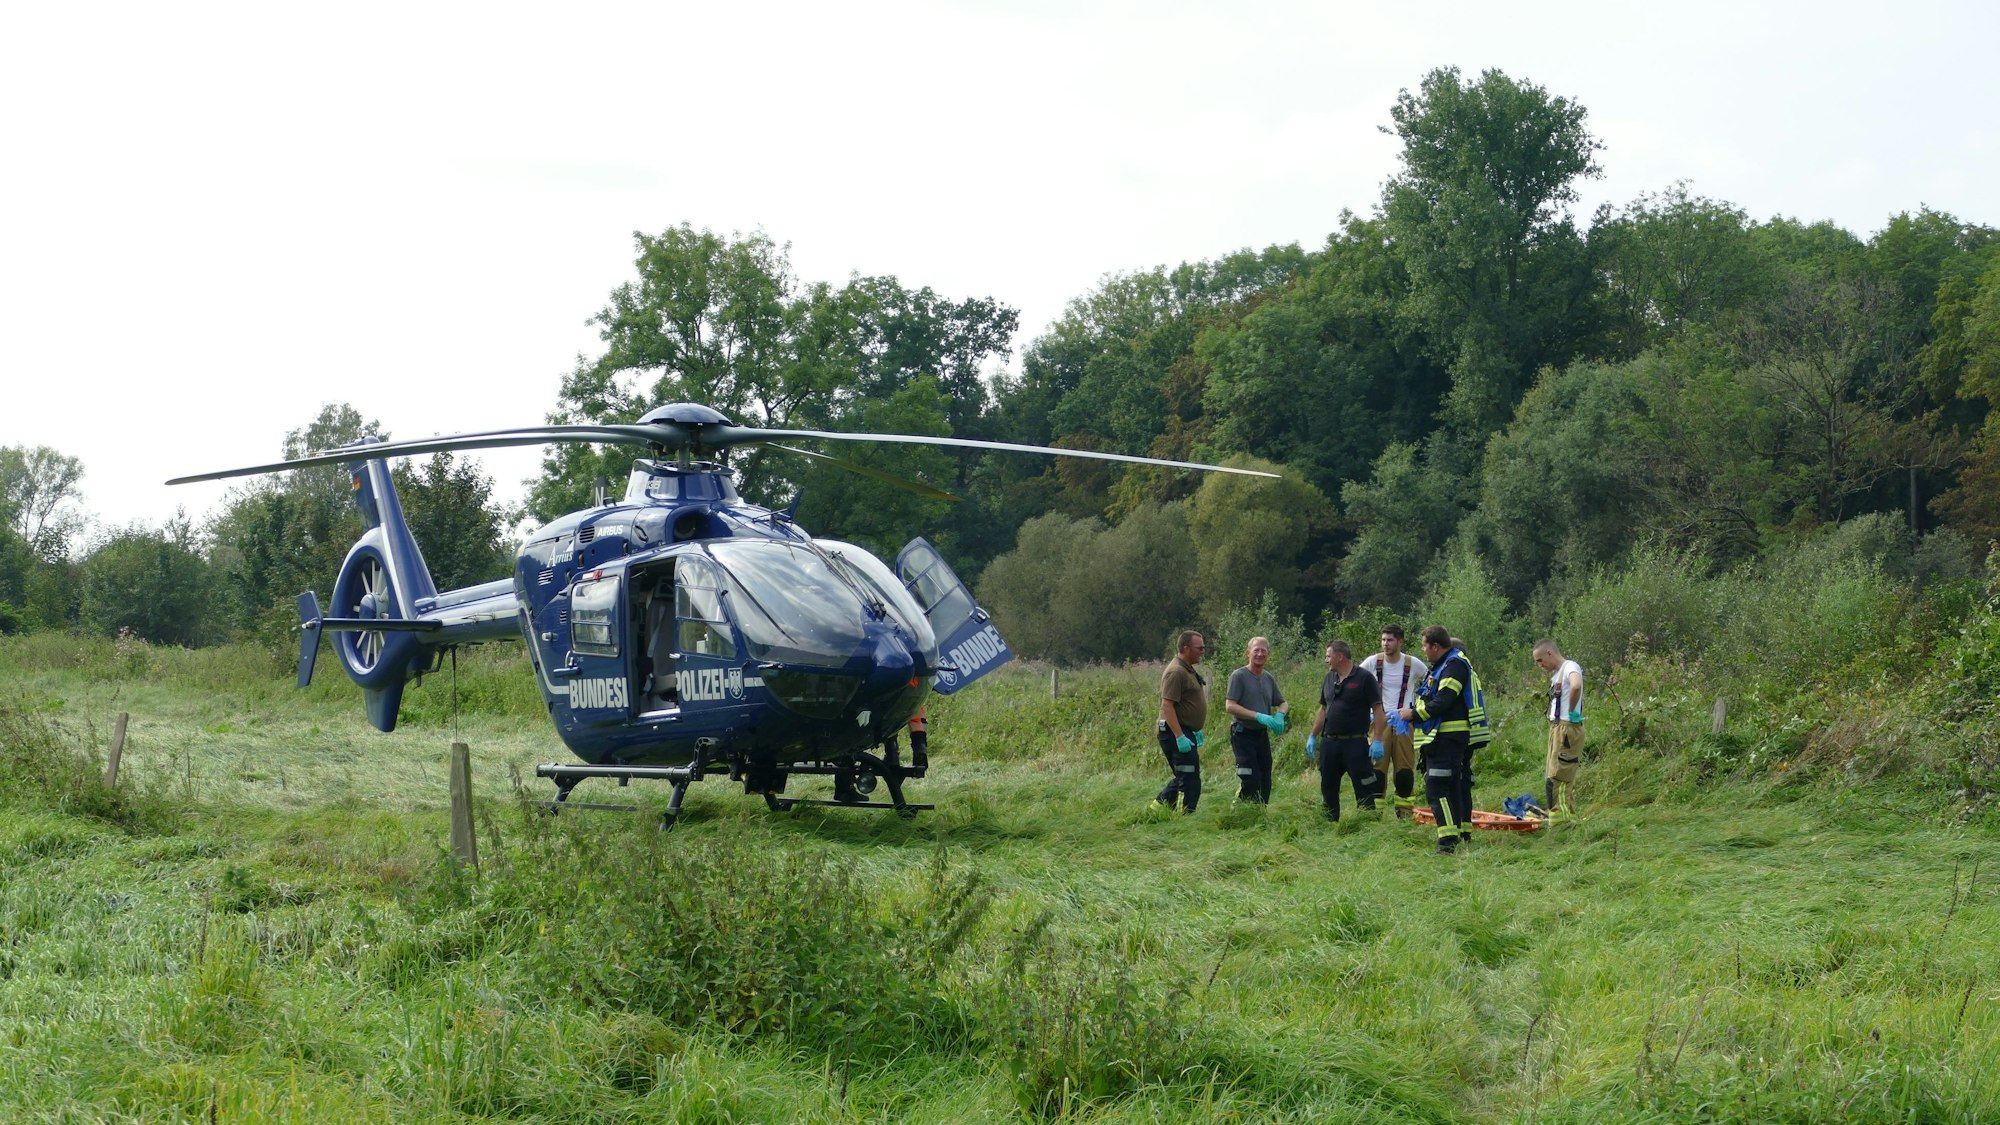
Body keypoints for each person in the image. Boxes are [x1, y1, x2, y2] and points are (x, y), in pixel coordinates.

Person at [1398, 625, 1475, 854]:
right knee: (1448, 789)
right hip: (1439, 739)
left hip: (1448, 739)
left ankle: (1447, 842)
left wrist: (1413, 714)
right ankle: (1453, 839)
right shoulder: (1442, 666)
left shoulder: (1455, 665)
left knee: (1437, 789)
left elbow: (1444, 700)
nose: (1423, 651)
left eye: (1424, 646)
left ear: (1435, 646)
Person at [1306, 640, 1380, 820]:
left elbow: (1378, 710)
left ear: (1340, 657)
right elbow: (1323, 709)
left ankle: (1367, 823)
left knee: (1364, 785)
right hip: (1330, 743)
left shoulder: (1364, 678)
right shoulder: (1328, 678)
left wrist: (1378, 739)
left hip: (1355, 744)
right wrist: (1313, 736)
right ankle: (1329, 823)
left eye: (1328, 656)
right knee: (1328, 786)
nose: (1326, 660)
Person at [1360, 625, 1427, 819]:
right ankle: (1373, 814)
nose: (1385, 644)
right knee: (1377, 771)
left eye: (1389, 640)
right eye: (1383, 640)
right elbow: (1354, 682)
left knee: (1404, 771)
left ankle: (1404, 815)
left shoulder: (1413, 663)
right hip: (1379, 723)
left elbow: (1432, 685)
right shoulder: (1372, 662)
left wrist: (1417, 711)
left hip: (1404, 724)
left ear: (1400, 642)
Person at [1223, 636, 1289, 803]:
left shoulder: (1268, 678)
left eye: (1263, 651)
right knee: (1250, 778)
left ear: (1268, 654)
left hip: (1261, 735)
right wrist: (1257, 715)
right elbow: (1230, 706)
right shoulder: (1239, 676)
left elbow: (1282, 702)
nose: (1260, 654)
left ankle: (1260, 815)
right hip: (1242, 733)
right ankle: (1240, 812)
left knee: (1265, 779)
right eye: (1256, 650)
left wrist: (1280, 715)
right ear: (1248, 653)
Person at [1153, 631, 1209, 813]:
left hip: (1185, 730)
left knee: (1184, 776)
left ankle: (1157, 810)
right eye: (1199, 648)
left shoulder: (1187, 669)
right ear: (1186, 648)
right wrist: (1179, 736)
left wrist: (1193, 729)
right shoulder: (1176, 672)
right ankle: (1185, 818)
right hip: (1175, 732)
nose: (1203, 651)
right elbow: (1167, 706)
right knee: (1189, 778)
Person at [1534, 639, 1585, 817]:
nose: (1539, 665)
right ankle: (1563, 818)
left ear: (1550, 653)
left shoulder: (1571, 667)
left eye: (1540, 660)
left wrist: (1572, 712)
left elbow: (1576, 685)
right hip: (1558, 728)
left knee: (1559, 778)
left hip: (1566, 728)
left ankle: (1562, 823)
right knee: (1553, 776)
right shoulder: (1557, 674)